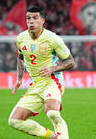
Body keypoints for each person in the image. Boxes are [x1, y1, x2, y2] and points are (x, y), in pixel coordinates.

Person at [8, 7, 75, 139]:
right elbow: (21, 57)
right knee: (14, 121)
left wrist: (52, 68)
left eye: (35, 18)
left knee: (52, 114)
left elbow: (71, 61)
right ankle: (53, 136)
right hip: (35, 85)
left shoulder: (52, 38)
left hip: (52, 81)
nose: (31, 21)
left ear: (42, 20)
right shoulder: (21, 38)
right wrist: (19, 79)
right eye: (28, 18)